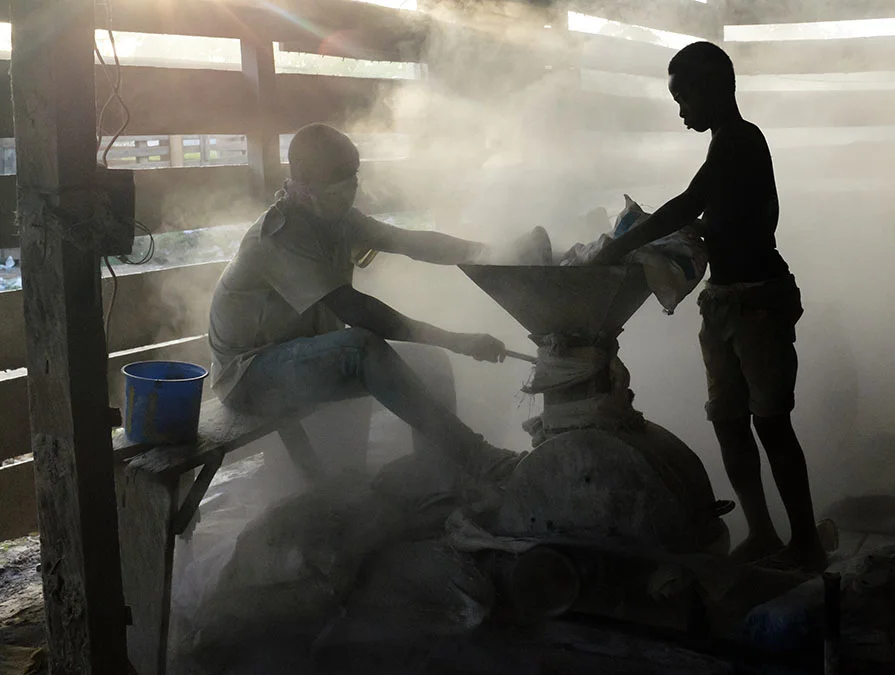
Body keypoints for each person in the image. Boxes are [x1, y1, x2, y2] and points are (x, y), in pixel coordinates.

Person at [586, 42, 825, 570]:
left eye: (683, 97)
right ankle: (763, 532)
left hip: (758, 303)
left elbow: (689, 203)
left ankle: (805, 541)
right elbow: (714, 214)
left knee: (771, 424)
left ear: (714, 88)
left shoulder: (741, 140)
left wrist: (617, 246)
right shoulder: (724, 143)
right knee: (729, 419)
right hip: (725, 305)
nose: (680, 111)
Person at [208, 123, 517, 479]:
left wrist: (493, 253)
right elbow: (357, 311)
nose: (350, 197)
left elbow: (410, 242)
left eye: (353, 183)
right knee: (363, 349)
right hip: (249, 375)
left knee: (431, 362)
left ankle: (437, 473)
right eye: (339, 192)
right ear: (306, 190)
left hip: (304, 352)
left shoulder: (335, 217)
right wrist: (459, 340)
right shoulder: (281, 236)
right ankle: (478, 458)